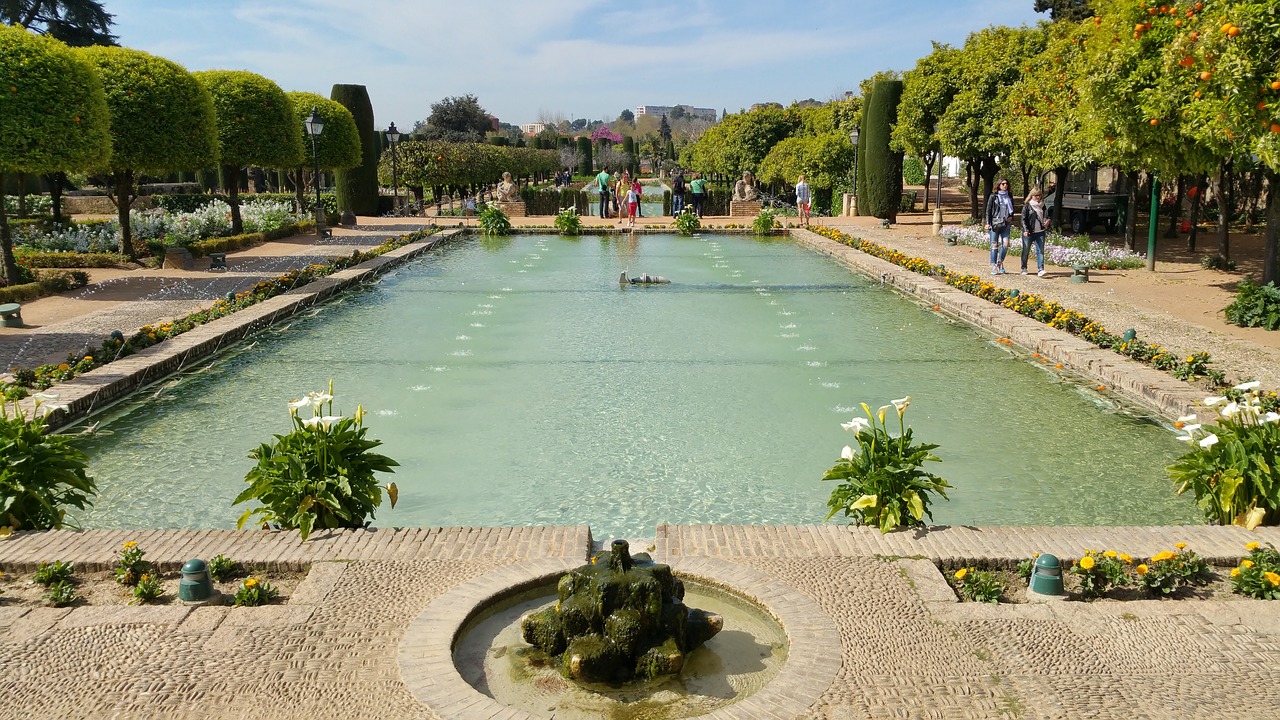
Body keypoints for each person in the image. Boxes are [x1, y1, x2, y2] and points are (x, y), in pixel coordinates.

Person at [985, 178, 1015, 275]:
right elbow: (988, 210)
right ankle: (994, 265)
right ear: (999, 185)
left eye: (1006, 184)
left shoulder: (1009, 196)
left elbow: (1012, 208)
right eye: (1003, 184)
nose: (1005, 185)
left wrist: (1011, 216)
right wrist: (987, 223)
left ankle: (1000, 262)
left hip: (1006, 222)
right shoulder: (993, 196)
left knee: (1006, 244)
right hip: (995, 222)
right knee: (994, 245)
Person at [1020, 186, 1048, 276]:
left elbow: (1047, 216)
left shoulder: (1043, 206)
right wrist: (1025, 229)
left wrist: (1047, 220)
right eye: (1035, 195)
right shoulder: (1027, 206)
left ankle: (1041, 269)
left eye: (1039, 195)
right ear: (1031, 196)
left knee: (1040, 251)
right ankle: (1024, 268)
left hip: (1040, 232)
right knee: (1026, 250)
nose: (1038, 197)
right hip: (1029, 232)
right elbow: (1023, 219)